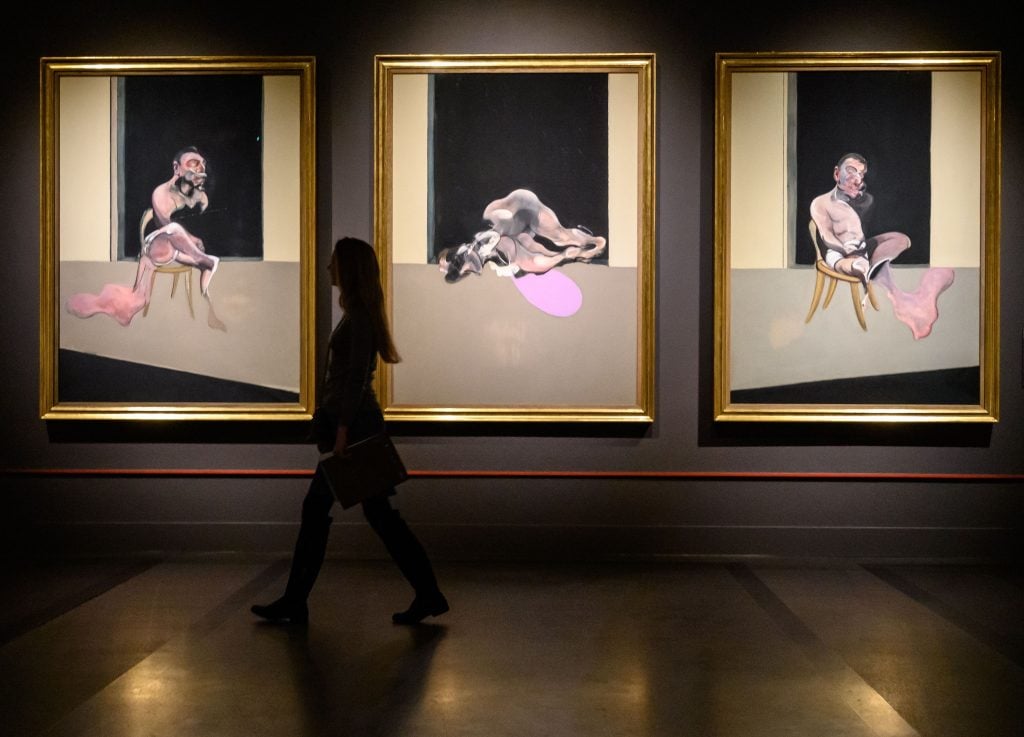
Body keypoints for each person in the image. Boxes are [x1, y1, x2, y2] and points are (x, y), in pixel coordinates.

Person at [251, 237, 449, 626]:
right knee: (380, 517)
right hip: (357, 426)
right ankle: (428, 593)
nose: (328, 269)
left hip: (355, 429)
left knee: (322, 510)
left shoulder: (358, 317)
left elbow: (356, 378)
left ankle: (295, 600)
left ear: (348, 269)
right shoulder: (359, 314)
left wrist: (341, 431)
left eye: (334, 263)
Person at [809, 153, 954, 340]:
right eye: (851, 171)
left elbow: (859, 232)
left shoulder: (866, 200)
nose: (857, 178)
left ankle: (871, 269)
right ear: (837, 174)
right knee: (853, 264)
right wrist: (848, 252)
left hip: (861, 249)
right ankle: (881, 283)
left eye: (861, 174)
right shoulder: (820, 203)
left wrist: (857, 203)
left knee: (902, 240)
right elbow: (826, 235)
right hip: (837, 253)